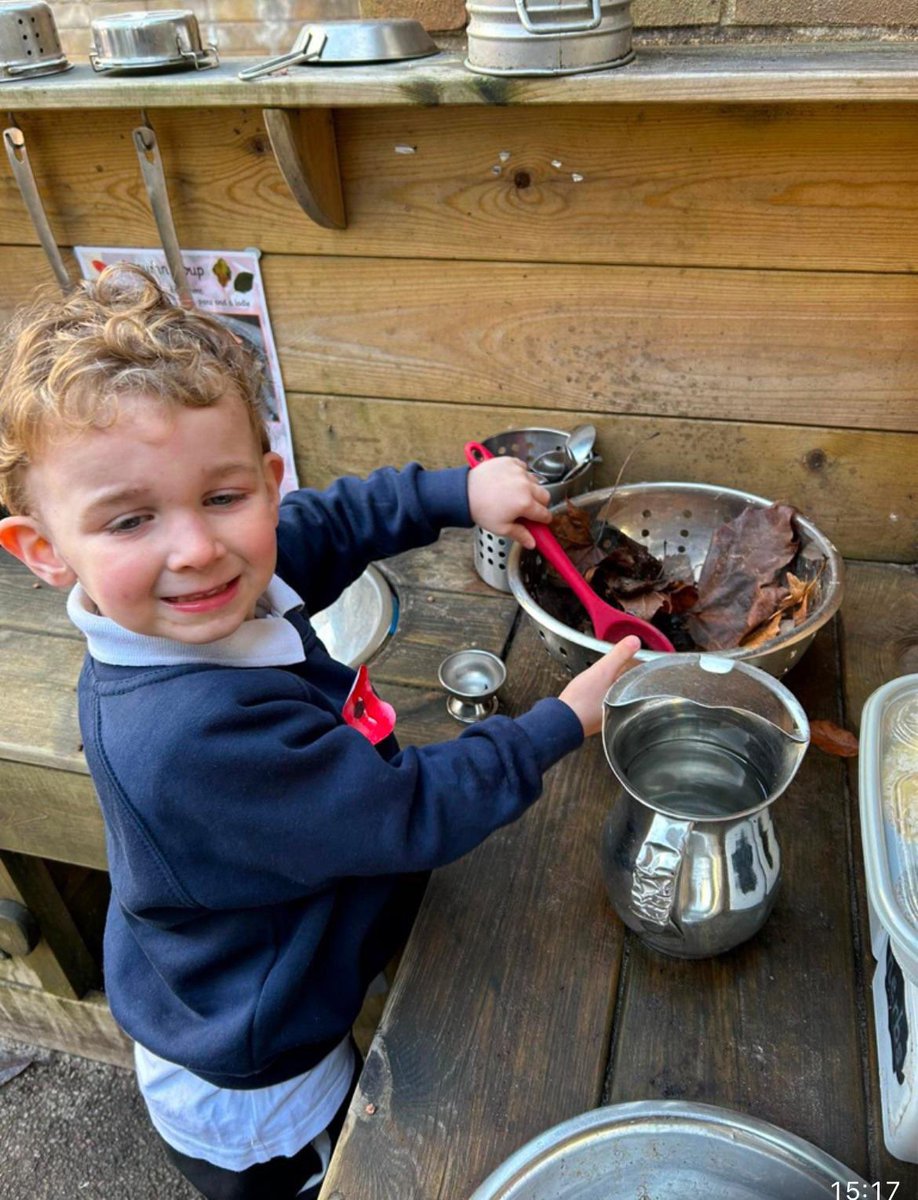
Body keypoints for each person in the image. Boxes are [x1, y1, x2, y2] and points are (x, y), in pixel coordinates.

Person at [0, 266, 639, 1200]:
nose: (196, 547)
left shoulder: (208, 589)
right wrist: (556, 725)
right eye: (131, 519)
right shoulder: (191, 739)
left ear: (264, 482)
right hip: (258, 1057)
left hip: (240, 958)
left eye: (223, 497)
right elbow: (406, 810)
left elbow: (327, 523)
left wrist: (458, 493)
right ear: (46, 552)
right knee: (337, 1167)